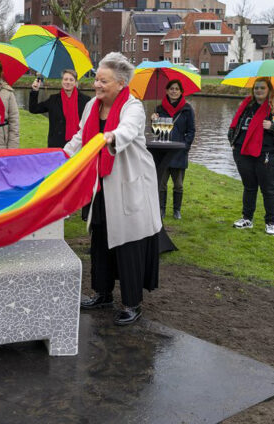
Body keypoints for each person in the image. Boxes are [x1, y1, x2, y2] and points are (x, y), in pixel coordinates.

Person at [64, 52, 161, 326]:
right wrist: (62, 156)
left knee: (129, 242)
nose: (97, 85)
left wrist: (110, 136)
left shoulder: (133, 106)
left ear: (120, 83)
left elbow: (128, 131)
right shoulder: (92, 107)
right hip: (101, 183)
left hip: (130, 184)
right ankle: (102, 292)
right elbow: (80, 137)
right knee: (100, 237)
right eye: (96, 79)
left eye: (103, 81)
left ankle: (132, 303)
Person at [228, 77, 274, 236]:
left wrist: (273, 126)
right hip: (244, 154)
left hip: (268, 155)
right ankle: (247, 219)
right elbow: (234, 125)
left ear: (269, 90)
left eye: (262, 88)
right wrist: (233, 142)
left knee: (268, 190)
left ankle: (270, 223)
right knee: (249, 187)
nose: (258, 90)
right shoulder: (246, 106)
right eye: (256, 88)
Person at [150, 79, 196, 220]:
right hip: (163, 152)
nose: (174, 91)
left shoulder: (187, 109)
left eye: (177, 89)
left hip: (179, 152)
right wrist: (153, 121)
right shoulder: (159, 109)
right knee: (162, 184)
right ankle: (161, 209)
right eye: (171, 89)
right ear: (167, 91)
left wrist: (185, 147)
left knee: (178, 185)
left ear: (181, 91)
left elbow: (191, 131)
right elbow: (155, 133)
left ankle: (177, 210)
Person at [29, 69, 91, 148]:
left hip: (78, 145)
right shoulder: (53, 100)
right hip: (56, 146)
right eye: (65, 79)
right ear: (62, 81)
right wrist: (35, 90)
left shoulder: (85, 100)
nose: (68, 82)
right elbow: (33, 109)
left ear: (75, 83)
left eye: (71, 80)